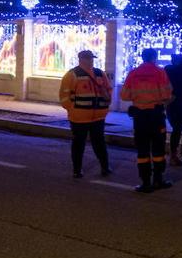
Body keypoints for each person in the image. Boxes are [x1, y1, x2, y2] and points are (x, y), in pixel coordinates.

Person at [121, 48, 174, 192]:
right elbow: (167, 93)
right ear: (154, 57)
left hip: (139, 117)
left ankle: (145, 183)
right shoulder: (160, 72)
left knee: (142, 150)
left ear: (142, 57)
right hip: (156, 115)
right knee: (158, 148)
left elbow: (124, 95)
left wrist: (139, 99)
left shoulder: (133, 73)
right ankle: (158, 179)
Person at [58, 50, 112, 179]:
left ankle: (105, 167)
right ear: (80, 59)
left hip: (98, 116)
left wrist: (106, 105)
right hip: (79, 117)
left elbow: (109, 89)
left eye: (91, 58)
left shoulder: (100, 73)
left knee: (99, 143)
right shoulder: (72, 75)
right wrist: (72, 110)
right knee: (79, 144)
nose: (90, 60)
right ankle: (77, 170)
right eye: (87, 58)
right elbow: (64, 96)